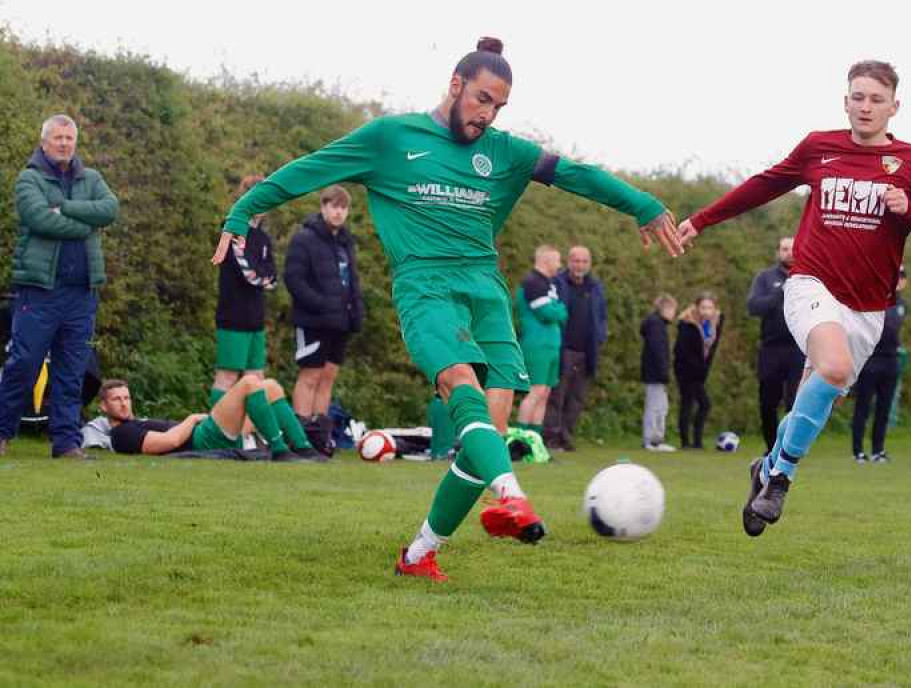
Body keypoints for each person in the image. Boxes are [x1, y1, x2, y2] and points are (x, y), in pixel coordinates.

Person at [212, 38, 683, 581]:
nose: (487, 115)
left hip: (484, 290)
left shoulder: (503, 152)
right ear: (456, 84)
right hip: (426, 287)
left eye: (498, 107)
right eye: (482, 99)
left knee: (489, 431)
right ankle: (513, 496)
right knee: (460, 384)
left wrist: (643, 204)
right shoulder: (392, 138)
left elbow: (574, 174)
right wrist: (244, 211)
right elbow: (309, 170)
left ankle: (419, 554)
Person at [676, 61, 911, 536]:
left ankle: (764, 470)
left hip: (868, 307)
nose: (865, 107)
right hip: (811, 285)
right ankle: (782, 474)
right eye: (857, 97)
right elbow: (763, 185)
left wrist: (909, 211)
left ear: (894, 106)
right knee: (832, 368)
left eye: (875, 99)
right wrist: (701, 220)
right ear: (845, 100)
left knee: (818, 395)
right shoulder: (819, 147)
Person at [0, 114, 118, 459]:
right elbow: (38, 218)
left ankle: (66, 443)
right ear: (44, 142)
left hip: (82, 292)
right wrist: (85, 224)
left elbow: (109, 209)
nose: (64, 143)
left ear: (75, 142)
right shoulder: (28, 179)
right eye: (58, 138)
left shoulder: (91, 178)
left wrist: (65, 208)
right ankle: (2, 433)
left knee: (73, 369)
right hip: (39, 291)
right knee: (23, 362)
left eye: (69, 137)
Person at [284, 185, 364, 453]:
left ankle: (320, 437)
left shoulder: (345, 242)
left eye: (343, 207)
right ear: (323, 207)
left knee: (328, 375)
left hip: (340, 323)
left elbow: (352, 281)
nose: (339, 212)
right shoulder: (304, 238)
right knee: (310, 374)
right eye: (334, 206)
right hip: (312, 320)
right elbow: (294, 280)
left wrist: (356, 313)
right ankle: (300, 437)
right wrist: (321, 305)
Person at [99, 378, 323, 459]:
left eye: (126, 397)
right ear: (103, 406)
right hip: (202, 439)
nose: (123, 403)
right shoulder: (121, 433)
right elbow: (170, 442)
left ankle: (303, 447)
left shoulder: (136, 421)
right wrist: (193, 418)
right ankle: (280, 450)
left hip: (208, 434)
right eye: (116, 399)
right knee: (249, 383)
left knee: (271, 387)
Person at [211, 175, 278, 407]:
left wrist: (264, 278)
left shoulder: (264, 237)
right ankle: (214, 433)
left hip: (255, 318)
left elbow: (273, 274)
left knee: (256, 378)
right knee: (228, 376)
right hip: (233, 316)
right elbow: (248, 274)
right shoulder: (232, 230)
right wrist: (264, 279)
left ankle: (250, 434)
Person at [542, 245, 608, 452]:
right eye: (576, 261)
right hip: (563, 350)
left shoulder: (596, 287)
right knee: (556, 396)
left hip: (587, 352)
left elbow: (602, 316)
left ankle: (566, 438)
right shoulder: (557, 284)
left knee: (577, 398)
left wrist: (600, 336)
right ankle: (551, 439)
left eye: (584, 261)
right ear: (568, 262)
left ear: (589, 264)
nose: (580, 265)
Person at [747, 236, 805, 454]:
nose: (789, 253)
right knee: (767, 402)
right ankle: (771, 446)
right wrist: (780, 292)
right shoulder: (765, 277)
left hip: (798, 348)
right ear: (778, 252)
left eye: (792, 249)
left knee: (795, 402)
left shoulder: (807, 278)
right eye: (784, 249)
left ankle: (788, 448)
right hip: (771, 349)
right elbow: (753, 306)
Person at [851, 265, 908, 464]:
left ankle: (878, 450)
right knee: (863, 407)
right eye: (895, 276)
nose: (898, 280)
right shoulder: (874, 299)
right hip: (870, 359)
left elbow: (893, 330)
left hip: (891, 360)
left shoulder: (902, 305)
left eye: (901, 276)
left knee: (884, 408)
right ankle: (857, 451)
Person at [514, 245, 566, 440]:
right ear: (546, 261)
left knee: (545, 392)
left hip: (551, 344)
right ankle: (520, 440)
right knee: (535, 391)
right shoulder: (533, 282)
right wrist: (559, 310)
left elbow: (558, 311)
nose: (560, 265)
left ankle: (535, 440)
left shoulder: (549, 284)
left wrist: (559, 310)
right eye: (557, 260)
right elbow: (549, 313)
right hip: (537, 344)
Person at [673, 292, 724, 449]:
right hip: (685, 369)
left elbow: (711, 349)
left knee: (699, 404)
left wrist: (704, 371)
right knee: (694, 403)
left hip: (700, 370)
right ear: (696, 307)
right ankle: (687, 442)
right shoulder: (687, 324)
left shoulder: (716, 322)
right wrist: (698, 370)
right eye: (703, 307)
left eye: (710, 308)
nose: (706, 311)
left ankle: (695, 441)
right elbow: (683, 351)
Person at [639, 293, 678, 452]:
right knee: (655, 406)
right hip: (655, 373)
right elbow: (658, 351)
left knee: (661, 406)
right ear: (665, 308)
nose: (674, 313)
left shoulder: (657, 325)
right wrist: (663, 371)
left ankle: (656, 438)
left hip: (654, 372)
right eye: (672, 310)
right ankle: (652, 440)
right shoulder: (656, 326)